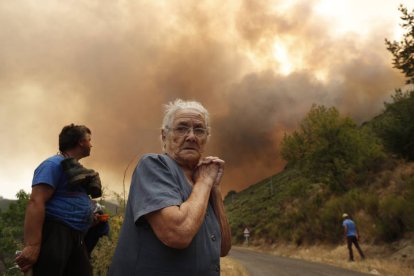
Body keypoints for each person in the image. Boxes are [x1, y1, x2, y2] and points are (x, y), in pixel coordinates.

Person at [109, 99, 232, 275]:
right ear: (164, 136)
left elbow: (223, 248)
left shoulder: (201, 184)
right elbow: (178, 233)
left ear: (206, 138)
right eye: (181, 128)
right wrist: (205, 181)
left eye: (199, 130)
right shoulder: (153, 165)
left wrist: (215, 188)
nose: (191, 136)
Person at [16, 124, 102, 275]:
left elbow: (70, 199)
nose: (91, 144)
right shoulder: (53, 164)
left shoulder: (76, 171)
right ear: (81, 142)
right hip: (56, 233)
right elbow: (36, 201)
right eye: (89, 139)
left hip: (76, 235)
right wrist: (33, 245)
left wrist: (90, 217)